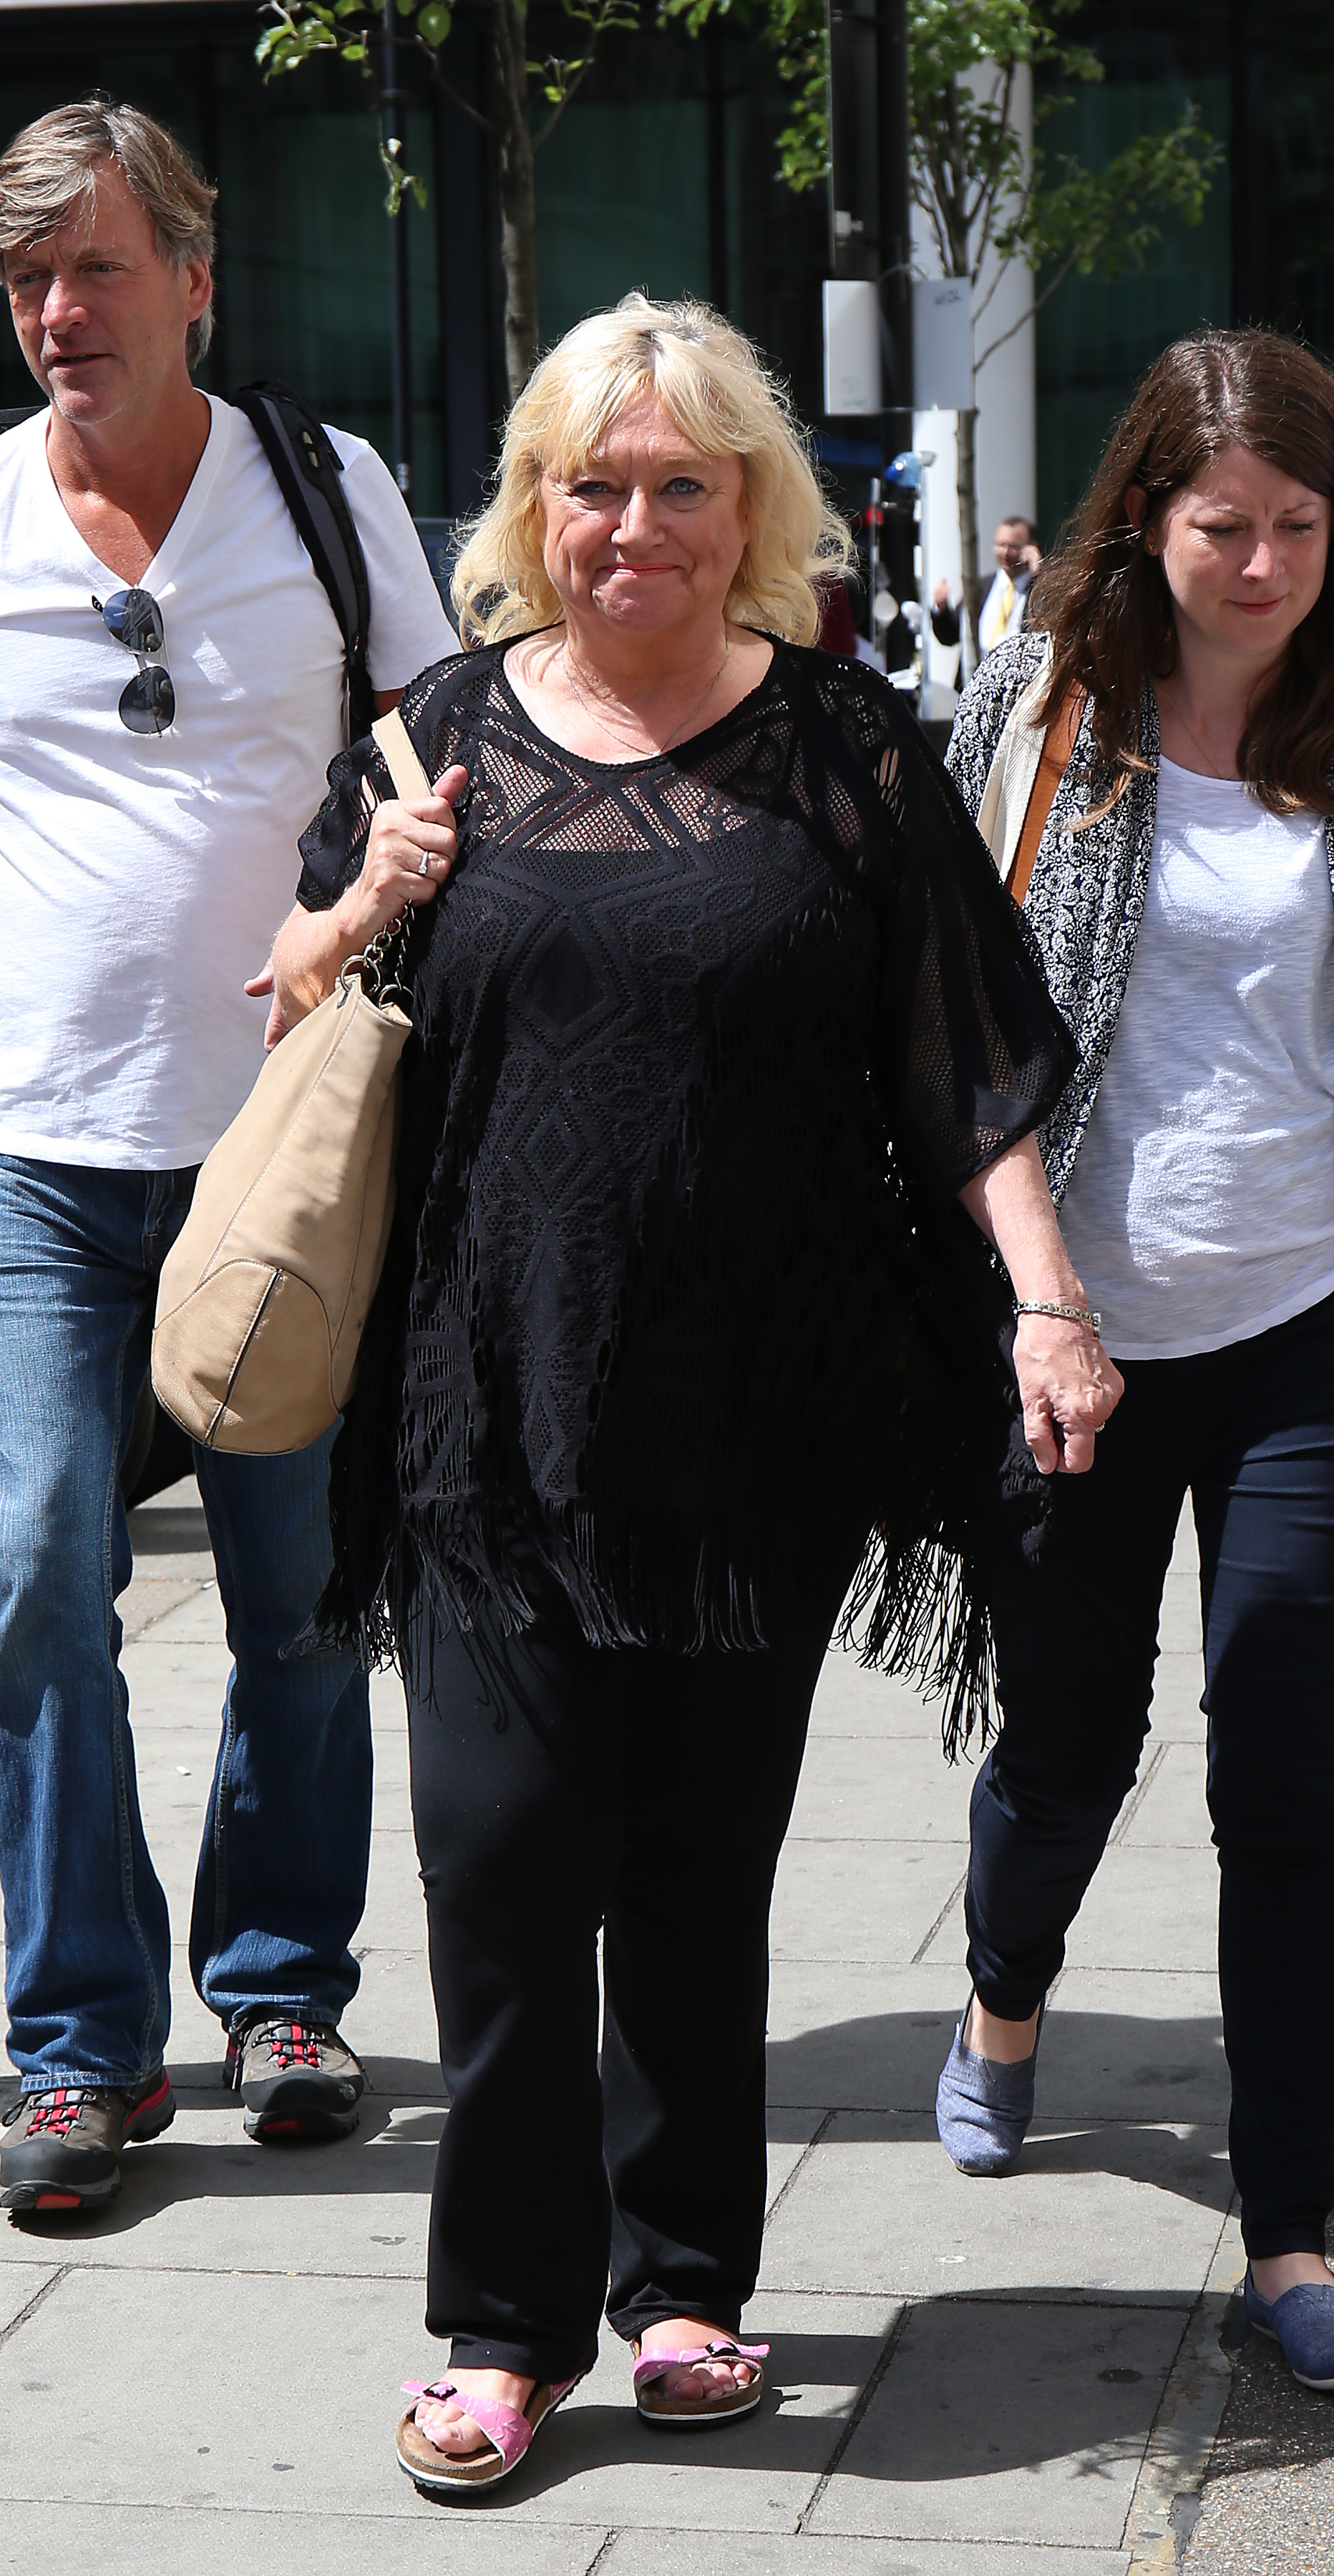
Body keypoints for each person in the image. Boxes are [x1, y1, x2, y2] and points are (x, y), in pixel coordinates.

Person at [258, 293, 1120, 2494]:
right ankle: (501, 2320)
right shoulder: (431, 732)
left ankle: (682, 2291)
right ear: (529, 507)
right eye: (589, 482)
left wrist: (1040, 1306)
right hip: (484, 1393)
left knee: (697, 1865)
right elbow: (286, 1017)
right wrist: (379, 887)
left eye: (675, 484)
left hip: (749, 1412)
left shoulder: (845, 745)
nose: (629, 521)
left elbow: (961, 1063)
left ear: (747, 509)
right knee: (503, 1853)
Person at [0, 98, 455, 2212]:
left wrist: (358, 927)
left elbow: (446, 772)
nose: (57, 312)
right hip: (30, 1156)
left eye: (93, 267)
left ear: (195, 273)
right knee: (26, 1588)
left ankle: (274, 1989)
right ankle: (82, 2047)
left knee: (296, 1594)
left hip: (277, 1156)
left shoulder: (319, 489)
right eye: (21, 280)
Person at [936, 328, 1334, 2394]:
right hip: (1069, 1334)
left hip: (1304, 1331)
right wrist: (1037, 1297)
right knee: (1070, 1746)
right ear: (1147, 521)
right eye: (1221, 526)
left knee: (1292, 1777)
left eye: (1296, 526)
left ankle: (1297, 2221)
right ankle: (1008, 1992)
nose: (1261, 566)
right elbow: (938, 1019)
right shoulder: (1038, 718)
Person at [931, 514, 1041, 664]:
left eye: (1013, 546)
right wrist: (941, 608)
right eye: (1001, 545)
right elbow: (951, 636)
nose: (1006, 553)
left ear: (1030, 547)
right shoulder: (982, 587)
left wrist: (1038, 572)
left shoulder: (1037, 589)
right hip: (978, 677)